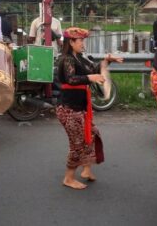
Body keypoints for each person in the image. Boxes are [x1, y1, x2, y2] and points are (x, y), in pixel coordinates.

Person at [56, 27, 122, 190]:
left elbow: (94, 69)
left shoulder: (79, 58)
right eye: (80, 41)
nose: (83, 43)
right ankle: (68, 178)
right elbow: (71, 79)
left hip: (79, 107)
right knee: (77, 143)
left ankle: (86, 170)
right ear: (71, 42)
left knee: (91, 135)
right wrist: (89, 78)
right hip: (68, 108)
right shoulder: (66, 59)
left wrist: (107, 61)